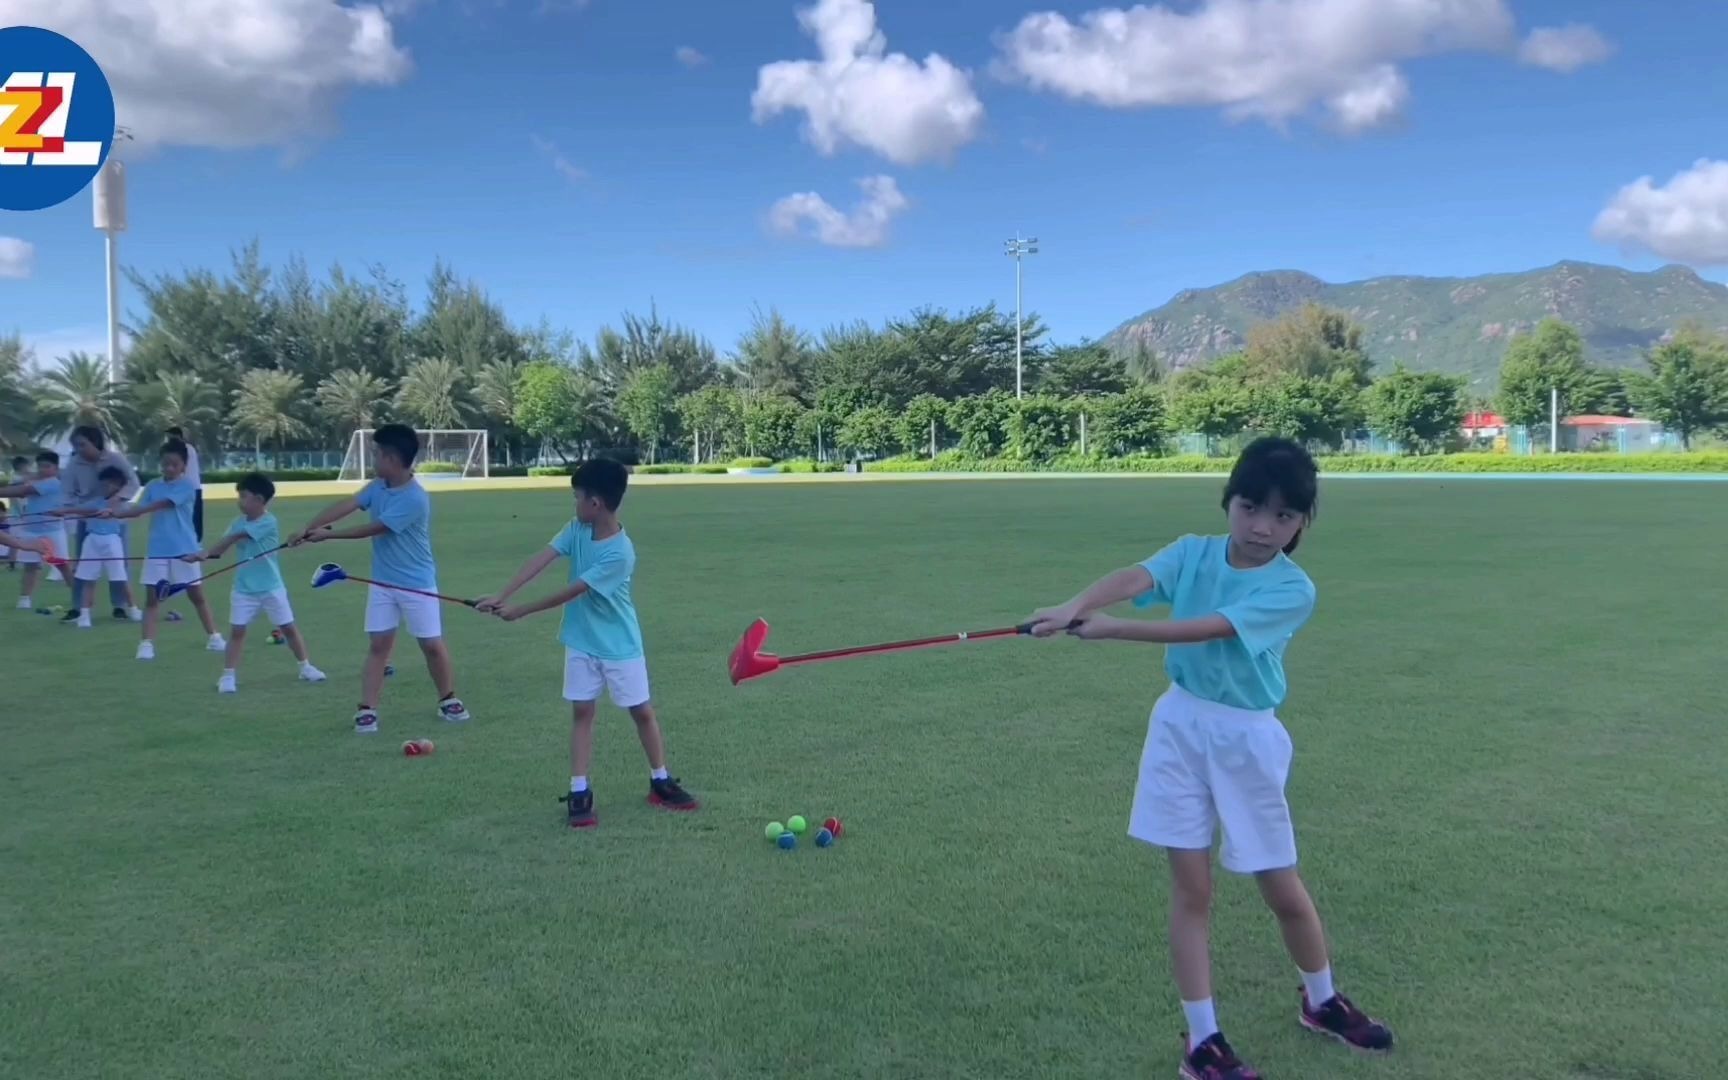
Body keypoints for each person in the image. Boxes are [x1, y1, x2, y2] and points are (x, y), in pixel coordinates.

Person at [1025, 437, 1393, 1080]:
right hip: (1178, 727)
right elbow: (1137, 577)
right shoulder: (1194, 550)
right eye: (1251, 506)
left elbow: (1213, 626)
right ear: (1230, 500)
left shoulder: (1291, 589)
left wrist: (1114, 629)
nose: (1261, 527)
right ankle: (1203, 1043)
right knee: (1191, 890)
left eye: (1283, 516)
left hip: (1246, 738)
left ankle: (1323, 1000)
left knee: (1281, 885)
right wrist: (1076, 605)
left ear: (1302, 522)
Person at [477, 459, 697, 827]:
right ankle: (579, 790)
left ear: (595, 503)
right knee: (582, 712)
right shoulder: (577, 528)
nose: (574, 505)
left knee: (641, 711)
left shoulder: (620, 553)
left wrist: (521, 611)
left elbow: (574, 590)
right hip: (581, 641)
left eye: (577, 497)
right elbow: (541, 559)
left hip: (619, 645)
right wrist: (502, 594)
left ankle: (660, 780)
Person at [294, 423, 471, 734]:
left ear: (391, 458)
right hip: (381, 584)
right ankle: (367, 709)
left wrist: (327, 538)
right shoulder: (377, 486)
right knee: (379, 644)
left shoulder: (415, 498)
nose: (373, 459)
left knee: (431, 644)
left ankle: (448, 699)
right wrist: (309, 529)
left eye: (376, 454)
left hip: (417, 583)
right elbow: (347, 506)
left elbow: (376, 528)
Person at [185, 472, 325, 693]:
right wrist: (202, 555)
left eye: (243, 496)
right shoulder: (237, 522)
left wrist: (212, 549)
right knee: (237, 632)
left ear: (259, 500)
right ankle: (228, 676)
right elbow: (221, 549)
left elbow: (237, 537)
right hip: (244, 589)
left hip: (271, 587)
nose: (239, 501)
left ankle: (305, 667)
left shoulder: (269, 521)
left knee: (288, 628)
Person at [105, 440, 224, 660]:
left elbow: (161, 505)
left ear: (184, 465)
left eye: (174, 464)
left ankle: (214, 637)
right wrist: (114, 511)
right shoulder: (153, 485)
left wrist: (130, 512)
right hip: (158, 549)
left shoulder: (188, 486)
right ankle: (146, 644)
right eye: (165, 463)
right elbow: (137, 508)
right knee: (152, 600)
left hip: (185, 550)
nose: (169, 468)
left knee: (197, 597)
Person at [61, 426, 141, 622]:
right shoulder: (74, 464)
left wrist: (117, 500)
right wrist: (80, 509)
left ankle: (120, 606)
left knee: (120, 565)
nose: (79, 449)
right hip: (87, 520)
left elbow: (133, 482)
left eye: (83, 444)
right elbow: (67, 493)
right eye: (76, 445)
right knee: (83, 566)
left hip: (115, 516)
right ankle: (79, 608)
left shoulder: (115, 459)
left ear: (95, 442)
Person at [0, 450, 67, 609]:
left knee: (61, 564)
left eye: (47, 466)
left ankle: (77, 595)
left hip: (52, 530)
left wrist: (23, 481)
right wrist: (24, 479)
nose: (43, 469)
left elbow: (22, 491)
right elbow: (21, 487)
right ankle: (25, 599)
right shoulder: (35, 481)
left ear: (56, 468)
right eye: (40, 466)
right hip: (31, 530)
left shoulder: (53, 482)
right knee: (30, 566)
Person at [165, 425, 204, 542]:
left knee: (187, 516)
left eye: (170, 435)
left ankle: (191, 541)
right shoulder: (189, 448)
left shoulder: (182, 449)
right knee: (194, 516)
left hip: (186, 487)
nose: (168, 438)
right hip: (194, 486)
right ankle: (196, 541)